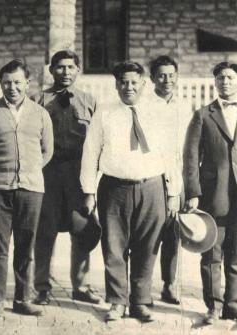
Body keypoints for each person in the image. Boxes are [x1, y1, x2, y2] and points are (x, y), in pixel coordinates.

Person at [80, 61, 180, 322]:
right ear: (116, 85)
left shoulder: (158, 112)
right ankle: (116, 302)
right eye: (123, 82)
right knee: (114, 247)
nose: (129, 87)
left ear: (143, 84)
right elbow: (90, 153)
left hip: (152, 187)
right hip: (114, 188)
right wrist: (89, 192)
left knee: (147, 247)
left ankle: (140, 301)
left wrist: (173, 192)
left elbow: (170, 154)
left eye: (134, 82)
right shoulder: (104, 112)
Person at [0, 59, 53, 317]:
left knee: (26, 247)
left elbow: (47, 151)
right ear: (0, 84)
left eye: (17, 82)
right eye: (7, 82)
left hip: (31, 190)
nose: (12, 87)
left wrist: (30, 169)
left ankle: (22, 299)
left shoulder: (41, 114)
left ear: (27, 83)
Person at [31, 50, 102, 306]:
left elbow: (97, 141)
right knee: (44, 232)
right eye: (60, 67)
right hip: (47, 173)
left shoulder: (89, 101)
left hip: (78, 176)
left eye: (71, 67)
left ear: (78, 70)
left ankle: (81, 286)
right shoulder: (37, 100)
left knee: (82, 229)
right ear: (51, 70)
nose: (66, 72)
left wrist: (92, 182)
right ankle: (41, 287)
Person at [182, 61, 237, 324]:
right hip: (215, 194)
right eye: (220, 78)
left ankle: (233, 305)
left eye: (230, 77)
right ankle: (213, 307)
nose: (225, 82)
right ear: (215, 83)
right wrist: (193, 192)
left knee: (236, 254)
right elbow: (191, 157)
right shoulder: (203, 115)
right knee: (212, 253)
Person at [149, 55, 192, 306]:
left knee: (174, 231)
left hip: (179, 175)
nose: (167, 80)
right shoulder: (145, 105)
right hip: (153, 176)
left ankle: (169, 283)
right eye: (162, 75)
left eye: (172, 75)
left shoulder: (183, 106)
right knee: (147, 232)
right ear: (153, 77)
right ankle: (141, 287)